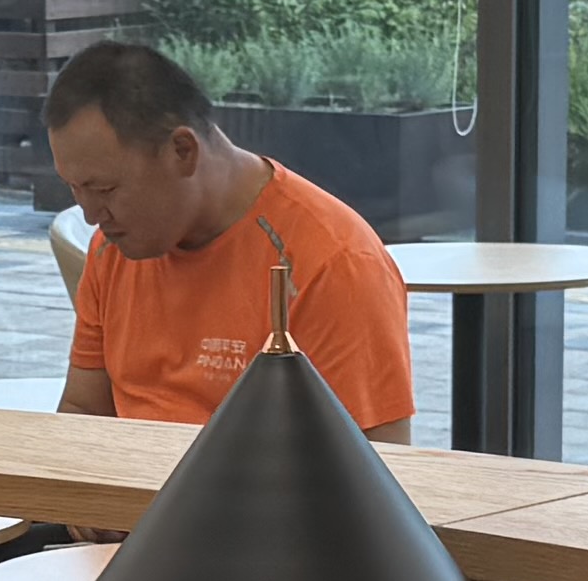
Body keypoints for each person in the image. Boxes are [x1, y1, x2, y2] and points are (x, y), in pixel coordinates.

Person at [42, 35, 412, 435]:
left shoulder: (333, 263)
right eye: (74, 188)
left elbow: (376, 460)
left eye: (105, 189)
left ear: (183, 151)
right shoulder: (111, 251)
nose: (91, 216)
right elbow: (84, 408)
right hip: (134, 472)